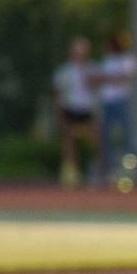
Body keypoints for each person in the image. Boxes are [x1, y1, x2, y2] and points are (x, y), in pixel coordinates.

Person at [52, 36, 98, 185]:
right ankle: (70, 172)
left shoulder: (92, 68)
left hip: (87, 109)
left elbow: (96, 89)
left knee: (95, 140)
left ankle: (97, 169)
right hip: (70, 108)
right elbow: (58, 94)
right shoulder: (64, 71)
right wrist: (59, 115)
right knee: (69, 141)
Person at [96, 27, 137, 186]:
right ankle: (109, 170)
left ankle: (128, 170)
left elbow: (125, 77)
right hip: (107, 102)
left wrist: (106, 78)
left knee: (124, 136)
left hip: (121, 101)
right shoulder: (107, 60)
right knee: (106, 136)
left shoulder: (127, 59)